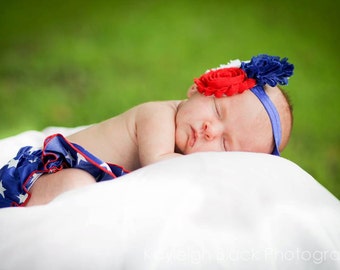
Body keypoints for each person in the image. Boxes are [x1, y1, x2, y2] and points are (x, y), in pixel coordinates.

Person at [0, 54, 294, 208]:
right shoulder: (159, 116)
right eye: (217, 111)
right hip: (49, 173)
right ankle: (23, 226)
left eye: (226, 144)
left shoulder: (184, 141)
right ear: (198, 88)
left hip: (88, 181)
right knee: (76, 188)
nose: (209, 130)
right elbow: (158, 164)